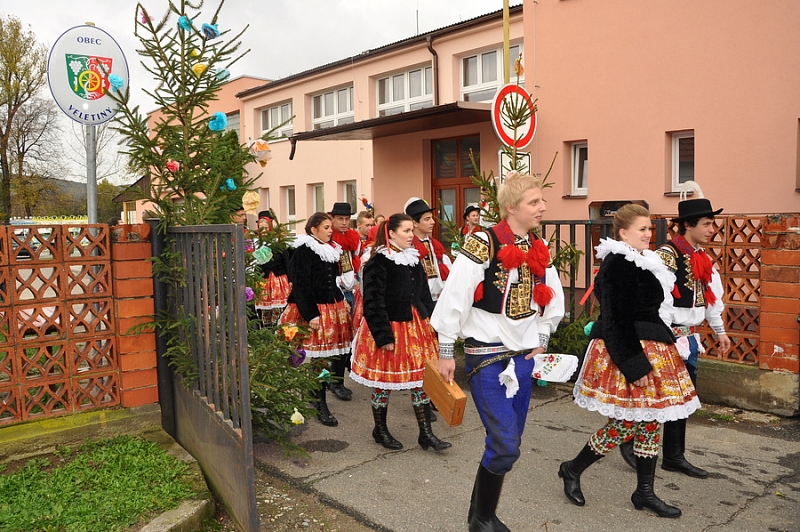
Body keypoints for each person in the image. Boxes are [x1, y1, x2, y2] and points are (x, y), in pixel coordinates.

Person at [431, 172, 565, 531]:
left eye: (542, 200)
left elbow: (551, 296)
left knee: (508, 441)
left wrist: (542, 336)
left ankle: (479, 516)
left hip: (522, 359)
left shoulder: (537, 245)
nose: (543, 207)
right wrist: (446, 350)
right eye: (534, 202)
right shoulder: (482, 242)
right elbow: (455, 295)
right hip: (487, 357)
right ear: (512, 207)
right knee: (505, 445)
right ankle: (484, 517)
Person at [560, 203, 701, 519]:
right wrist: (634, 365)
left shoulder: (643, 261)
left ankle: (644, 492)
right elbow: (615, 318)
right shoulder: (618, 263)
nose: (649, 234)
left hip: (652, 349)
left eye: (650, 228)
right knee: (626, 423)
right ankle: (572, 468)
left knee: (651, 419)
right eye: (642, 229)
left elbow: (650, 309)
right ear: (623, 233)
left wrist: (670, 339)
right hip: (628, 351)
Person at [619, 184, 729, 478]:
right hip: (667, 338)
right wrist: (665, 338)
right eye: (707, 224)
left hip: (689, 338)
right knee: (655, 397)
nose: (712, 229)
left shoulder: (701, 256)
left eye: (712, 224)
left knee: (683, 400)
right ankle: (630, 442)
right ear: (688, 225)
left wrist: (719, 330)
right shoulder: (666, 256)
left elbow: (710, 296)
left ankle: (674, 456)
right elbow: (658, 303)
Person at [350, 213, 451, 452]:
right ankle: (380, 429)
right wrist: (383, 336)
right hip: (390, 327)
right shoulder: (378, 262)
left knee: (421, 380)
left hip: (416, 327)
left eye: (411, 230)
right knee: (383, 382)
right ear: (391, 233)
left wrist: (432, 323)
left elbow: (423, 295)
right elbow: (373, 302)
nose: (410, 235)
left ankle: (426, 433)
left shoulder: (413, 258)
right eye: (406, 231)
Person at [279, 212, 353, 427]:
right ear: (314, 229)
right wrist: (311, 314)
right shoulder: (304, 250)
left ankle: (315, 396)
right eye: (326, 227)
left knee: (326, 358)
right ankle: (318, 402)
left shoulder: (330, 249)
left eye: (331, 227)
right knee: (317, 359)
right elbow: (301, 285)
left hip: (332, 309)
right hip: (312, 310)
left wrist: (341, 300)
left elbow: (332, 281)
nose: (331, 231)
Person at [327, 202, 361, 401]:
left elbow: (355, 262)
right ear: (332, 219)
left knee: (347, 338)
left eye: (347, 219)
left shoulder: (352, 238)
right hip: (334, 294)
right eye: (340, 218)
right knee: (335, 340)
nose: (344, 222)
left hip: (350, 292)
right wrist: (340, 295)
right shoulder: (328, 240)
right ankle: (333, 382)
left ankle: (337, 380)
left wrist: (356, 281)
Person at [404, 197, 451, 303]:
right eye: (427, 219)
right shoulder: (408, 247)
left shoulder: (434, 244)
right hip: (419, 300)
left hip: (438, 298)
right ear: (415, 223)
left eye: (431, 218)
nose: (433, 222)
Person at [253, 210, 292, 328]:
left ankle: (277, 329)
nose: (264, 231)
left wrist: (291, 280)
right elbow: (254, 265)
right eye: (261, 228)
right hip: (263, 281)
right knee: (264, 311)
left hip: (278, 280)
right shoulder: (256, 243)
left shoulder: (278, 243)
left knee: (278, 310)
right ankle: (266, 331)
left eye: (266, 228)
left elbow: (286, 262)